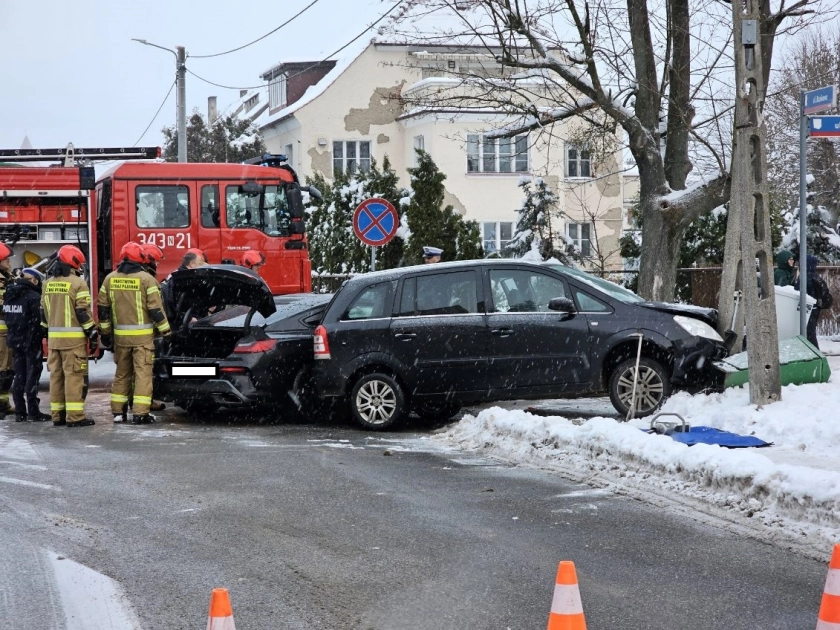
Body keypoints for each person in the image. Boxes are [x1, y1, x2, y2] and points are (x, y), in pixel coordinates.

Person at [98, 242, 171, 424]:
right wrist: (166, 332)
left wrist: (106, 333)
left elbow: (103, 310)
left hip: (121, 339)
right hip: (143, 340)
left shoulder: (110, 279)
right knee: (142, 375)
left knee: (122, 374)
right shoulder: (147, 280)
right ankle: (140, 413)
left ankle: (118, 413)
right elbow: (155, 310)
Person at [41, 245, 98, 427]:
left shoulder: (47, 283)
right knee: (74, 378)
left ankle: (58, 415)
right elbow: (82, 311)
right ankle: (75, 417)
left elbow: (43, 313)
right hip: (73, 342)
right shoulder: (78, 283)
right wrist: (92, 332)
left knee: (56, 377)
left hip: (54, 341)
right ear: (73, 263)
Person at [4, 268, 50, 422]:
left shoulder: (10, 294)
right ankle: (33, 411)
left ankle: (20, 412)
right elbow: (40, 321)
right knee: (32, 375)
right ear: (35, 281)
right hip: (30, 342)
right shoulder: (33, 297)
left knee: (19, 375)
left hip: (14, 340)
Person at [794, 254, 833, 350]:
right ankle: (815, 354)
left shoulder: (805, 278)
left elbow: (798, 293)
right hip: (815, 309)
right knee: (811, 334)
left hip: (807, 309)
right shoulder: (816, 277)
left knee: (808, 334)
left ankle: (815, 355)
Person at [160, 249, 207, 323]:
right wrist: (189, 318)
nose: (202, 267)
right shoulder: (180, 280)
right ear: (191, 264)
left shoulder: (186, 277)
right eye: (200, 264)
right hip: (183, 324)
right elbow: (174, 304)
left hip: (188, 322)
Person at [0, 242, 15, 417]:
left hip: (6, 332)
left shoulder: (6, 277)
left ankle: (3, 403)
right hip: (1, 332)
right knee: (2, 370)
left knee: (7, 370)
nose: (9, 261)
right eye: (6, 259)